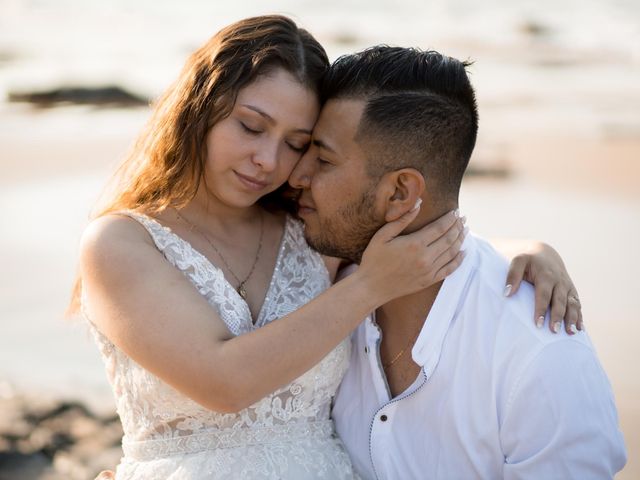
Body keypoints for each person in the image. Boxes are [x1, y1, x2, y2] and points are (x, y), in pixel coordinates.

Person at [75, 16, 581, 480]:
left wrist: (529, 249)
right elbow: (223, 382)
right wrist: (368, 287)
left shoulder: (309, 232)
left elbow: (417, 231)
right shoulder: (121, 243)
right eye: (250, 126)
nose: (268, 160)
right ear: (198, 109)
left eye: (297, 143)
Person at [288, 46, 627, 479]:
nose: (297, 176)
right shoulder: (323, 287)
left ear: (399, 194)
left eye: (323, 159)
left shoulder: (539, 358)